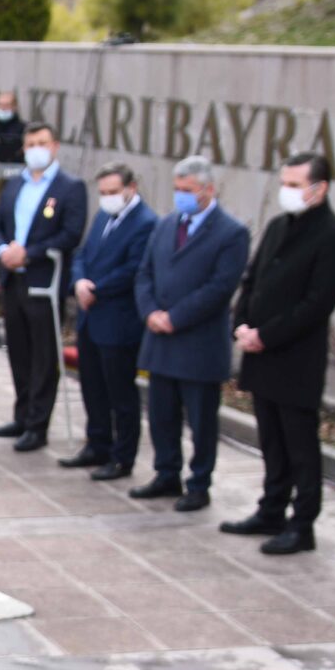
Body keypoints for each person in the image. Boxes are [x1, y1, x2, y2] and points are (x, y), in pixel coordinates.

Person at [221, 155, 335, 554]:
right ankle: (271, 508)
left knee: (300, 445)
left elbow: (317, 303)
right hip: (260, 351)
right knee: (271, 440)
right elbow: (252, 279)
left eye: (296, 184)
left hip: (295, 358)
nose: (288, 191)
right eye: (285, 182)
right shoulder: (279, 225)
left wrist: (267, 334)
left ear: (320, 188)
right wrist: (242, 324)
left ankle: (303, 524)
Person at [131, 156, 249, 512]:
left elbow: (220, 287)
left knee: (200, 421)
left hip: (198, 343)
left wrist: (176, 317)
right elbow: (145, 273)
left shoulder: (231, 233)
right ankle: (166, 473)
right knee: (161, 415)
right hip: (160, 340)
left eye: (188, 190)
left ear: (208, 190)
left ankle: (199, 483)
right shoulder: (166, 226)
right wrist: (151, 312)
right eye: (177, 189)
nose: (181, 196)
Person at [0, 123, 87, 452]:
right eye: (30, 144)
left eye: (42, 143)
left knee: (44, 354)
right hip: (13, 279)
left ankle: (38, 424)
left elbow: (70, 234)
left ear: (54, 146)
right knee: (18, 350)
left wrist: (29, 253)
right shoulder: (15, 184)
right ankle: (22, 413)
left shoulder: (70, 188)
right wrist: (4, 251)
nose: (35, 149)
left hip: (43, 280)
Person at [63, 164, 157, 482]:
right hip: (91, 316)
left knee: (121, 393)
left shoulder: (145, 223)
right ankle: (97, 443)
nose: (107, 199)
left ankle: (122, 456)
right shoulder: (104, 216)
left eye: (113, 192)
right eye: (103, 193)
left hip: (119, 320)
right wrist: (79, 282)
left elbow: (134, 269)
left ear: (131, 188)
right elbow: (83, 254)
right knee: (92, 386)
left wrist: (96, 289)